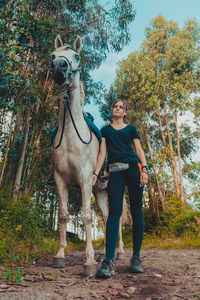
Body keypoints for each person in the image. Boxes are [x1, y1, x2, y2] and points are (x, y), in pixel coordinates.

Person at [93, 99, 148, 279]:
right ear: (113, 111)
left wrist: (145, 169)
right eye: (115, 106)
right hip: (115, 172)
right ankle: (108, 261)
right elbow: (102, 153)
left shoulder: (131, 128)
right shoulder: (105, 130)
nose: (117, 108)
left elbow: (139, 150)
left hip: (133, 168)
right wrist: (95, 172)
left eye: (121, 107)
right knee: (114, 212)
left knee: (136, 210)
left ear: (125, 112)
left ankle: (136, 258)